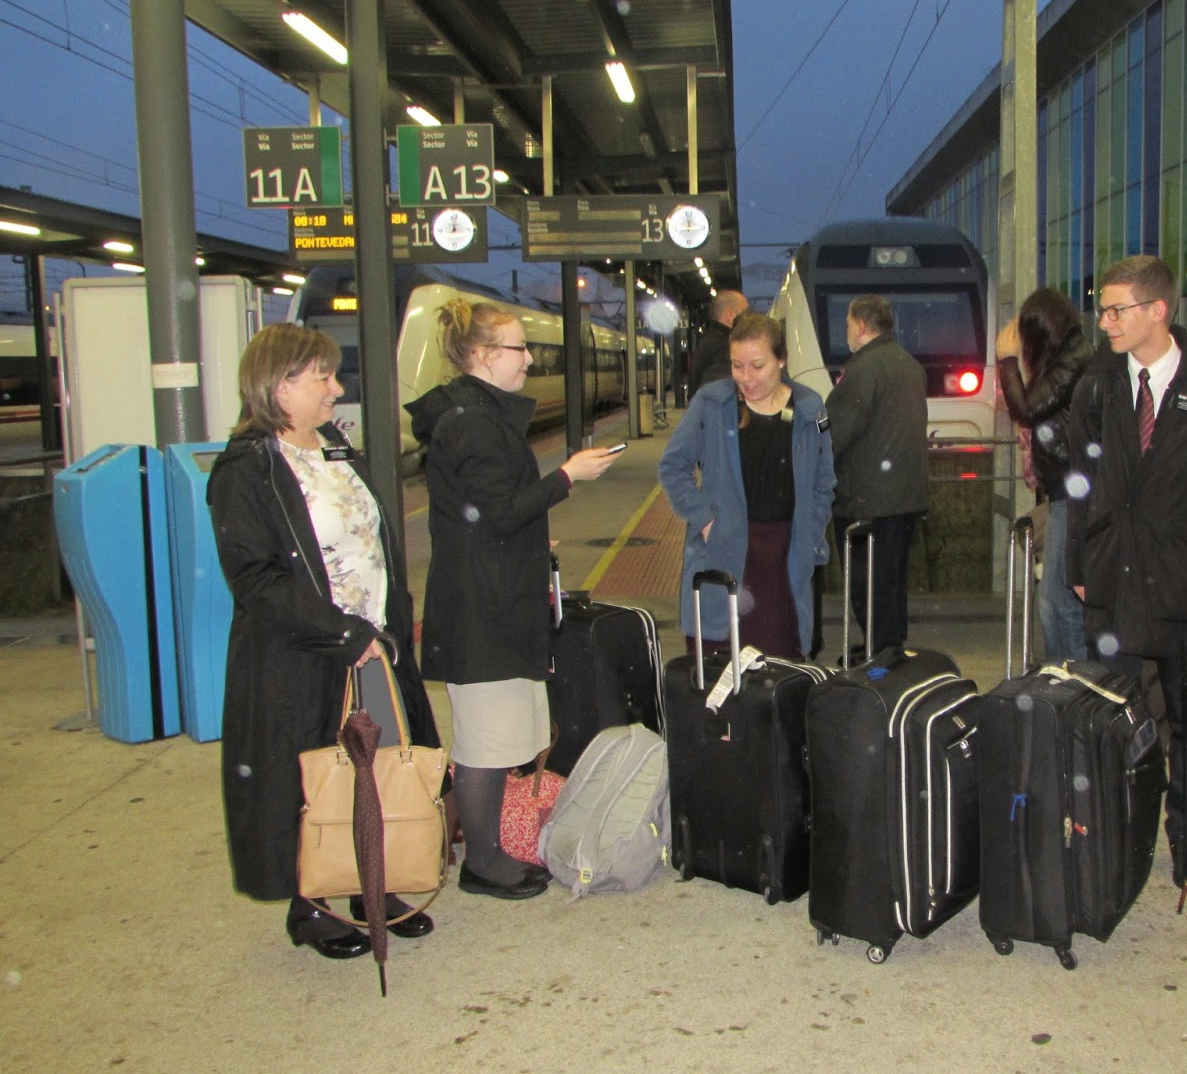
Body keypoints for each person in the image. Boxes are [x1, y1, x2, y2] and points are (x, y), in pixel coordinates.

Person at [208, 324, 442, 960]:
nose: (336, 389)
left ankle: (374, 883)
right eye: (323, 378)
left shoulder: (333, 445)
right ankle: (309, 906)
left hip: (371, 644)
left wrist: (385, 625)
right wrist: (341, 633)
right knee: (312, 780)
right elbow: (256, 578)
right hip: (305, 655)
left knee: (378, 766)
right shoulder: (248, 468)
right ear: (279, 386)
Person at [406, 299, 619, 900]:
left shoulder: (476, 414)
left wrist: (529, 539)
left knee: (497, 736)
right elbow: (498, 513)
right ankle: (482, 861)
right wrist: (568, 476)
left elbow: (481, 517)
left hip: (491, 594)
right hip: (481, 610)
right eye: (517, 348)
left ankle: (489, 851)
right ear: (481, 355)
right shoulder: (473, 423)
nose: (528, 359)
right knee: (484, 742)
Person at [1065, 255, 1187, 890]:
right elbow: (1079, 483)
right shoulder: (1096, 388)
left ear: (1158, 311)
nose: (1105, 322)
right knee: (1112, 720)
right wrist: (1078, 562)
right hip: (1113, 576)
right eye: (1102, 309)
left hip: (1186, 581)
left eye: (1116, 310)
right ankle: (1117, 843)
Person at [659, 312, 835, 660]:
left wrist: (811, 529)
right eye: (736, 366)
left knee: (780, 664)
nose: (745, 377)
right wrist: (705, 521)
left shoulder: (810, 407)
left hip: (785, 557)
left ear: (781, 359)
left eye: (757, 366)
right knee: (719, 663)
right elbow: (673, 467)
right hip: (724, 548)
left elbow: (823, 481)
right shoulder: (712, 403)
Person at [827, 293, 930, 660]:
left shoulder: (863, 368)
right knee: (890, 581)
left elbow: (837, 432)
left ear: (860, 325)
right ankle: (888, 646)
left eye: (847, 324)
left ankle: (879, 654)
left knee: (866, 583)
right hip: (905, 496)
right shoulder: (909, 364)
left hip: (867, 499)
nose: (846, 332)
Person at [996, 287, 1092, 661]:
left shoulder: (1072, 361)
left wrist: (1007, 362)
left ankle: (1069, 678)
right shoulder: (1069, 357)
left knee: (1057, 599)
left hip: (1074, 492)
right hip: (1066, 489)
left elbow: (1026, 410)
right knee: (1056, 597)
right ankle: (1064, 674)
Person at [687, 289, 750, 396]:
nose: (748, 318)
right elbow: (724, 394)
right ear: (731, 315)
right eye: (746, 313)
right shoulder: (723, 348)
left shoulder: (709, 342)